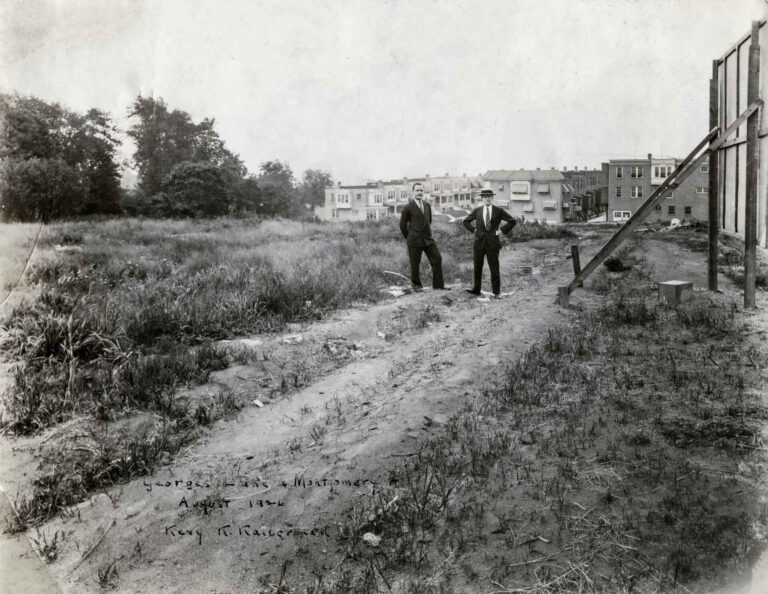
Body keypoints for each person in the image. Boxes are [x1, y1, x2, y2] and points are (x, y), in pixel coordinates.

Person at [463, 188, 517, 299]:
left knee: (494, 268)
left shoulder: (498, 210)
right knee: (477, 267)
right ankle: (476, 290)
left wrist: (501, 231)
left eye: (489, 196)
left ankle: (496, 292)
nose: (487, 198)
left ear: (492, 198)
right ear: (482, 198)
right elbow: (465, 221)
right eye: (485, 196)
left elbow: (512, 221)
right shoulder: (477, 210)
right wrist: (474, 230)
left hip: (493, 244)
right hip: (479, 243)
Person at [399, 182, 448, 292]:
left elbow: (428, 221)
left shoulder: (427, 205)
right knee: (415, 264)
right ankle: (417, 286)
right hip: (414, 240)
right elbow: (402, 225)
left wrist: (426, 233)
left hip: (427, 238)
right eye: (417, 190)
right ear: (413, 192)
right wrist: (410, 237)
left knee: (437, 259)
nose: (420, 192)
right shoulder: (407, 207)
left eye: (421, 190)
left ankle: (439, 286)